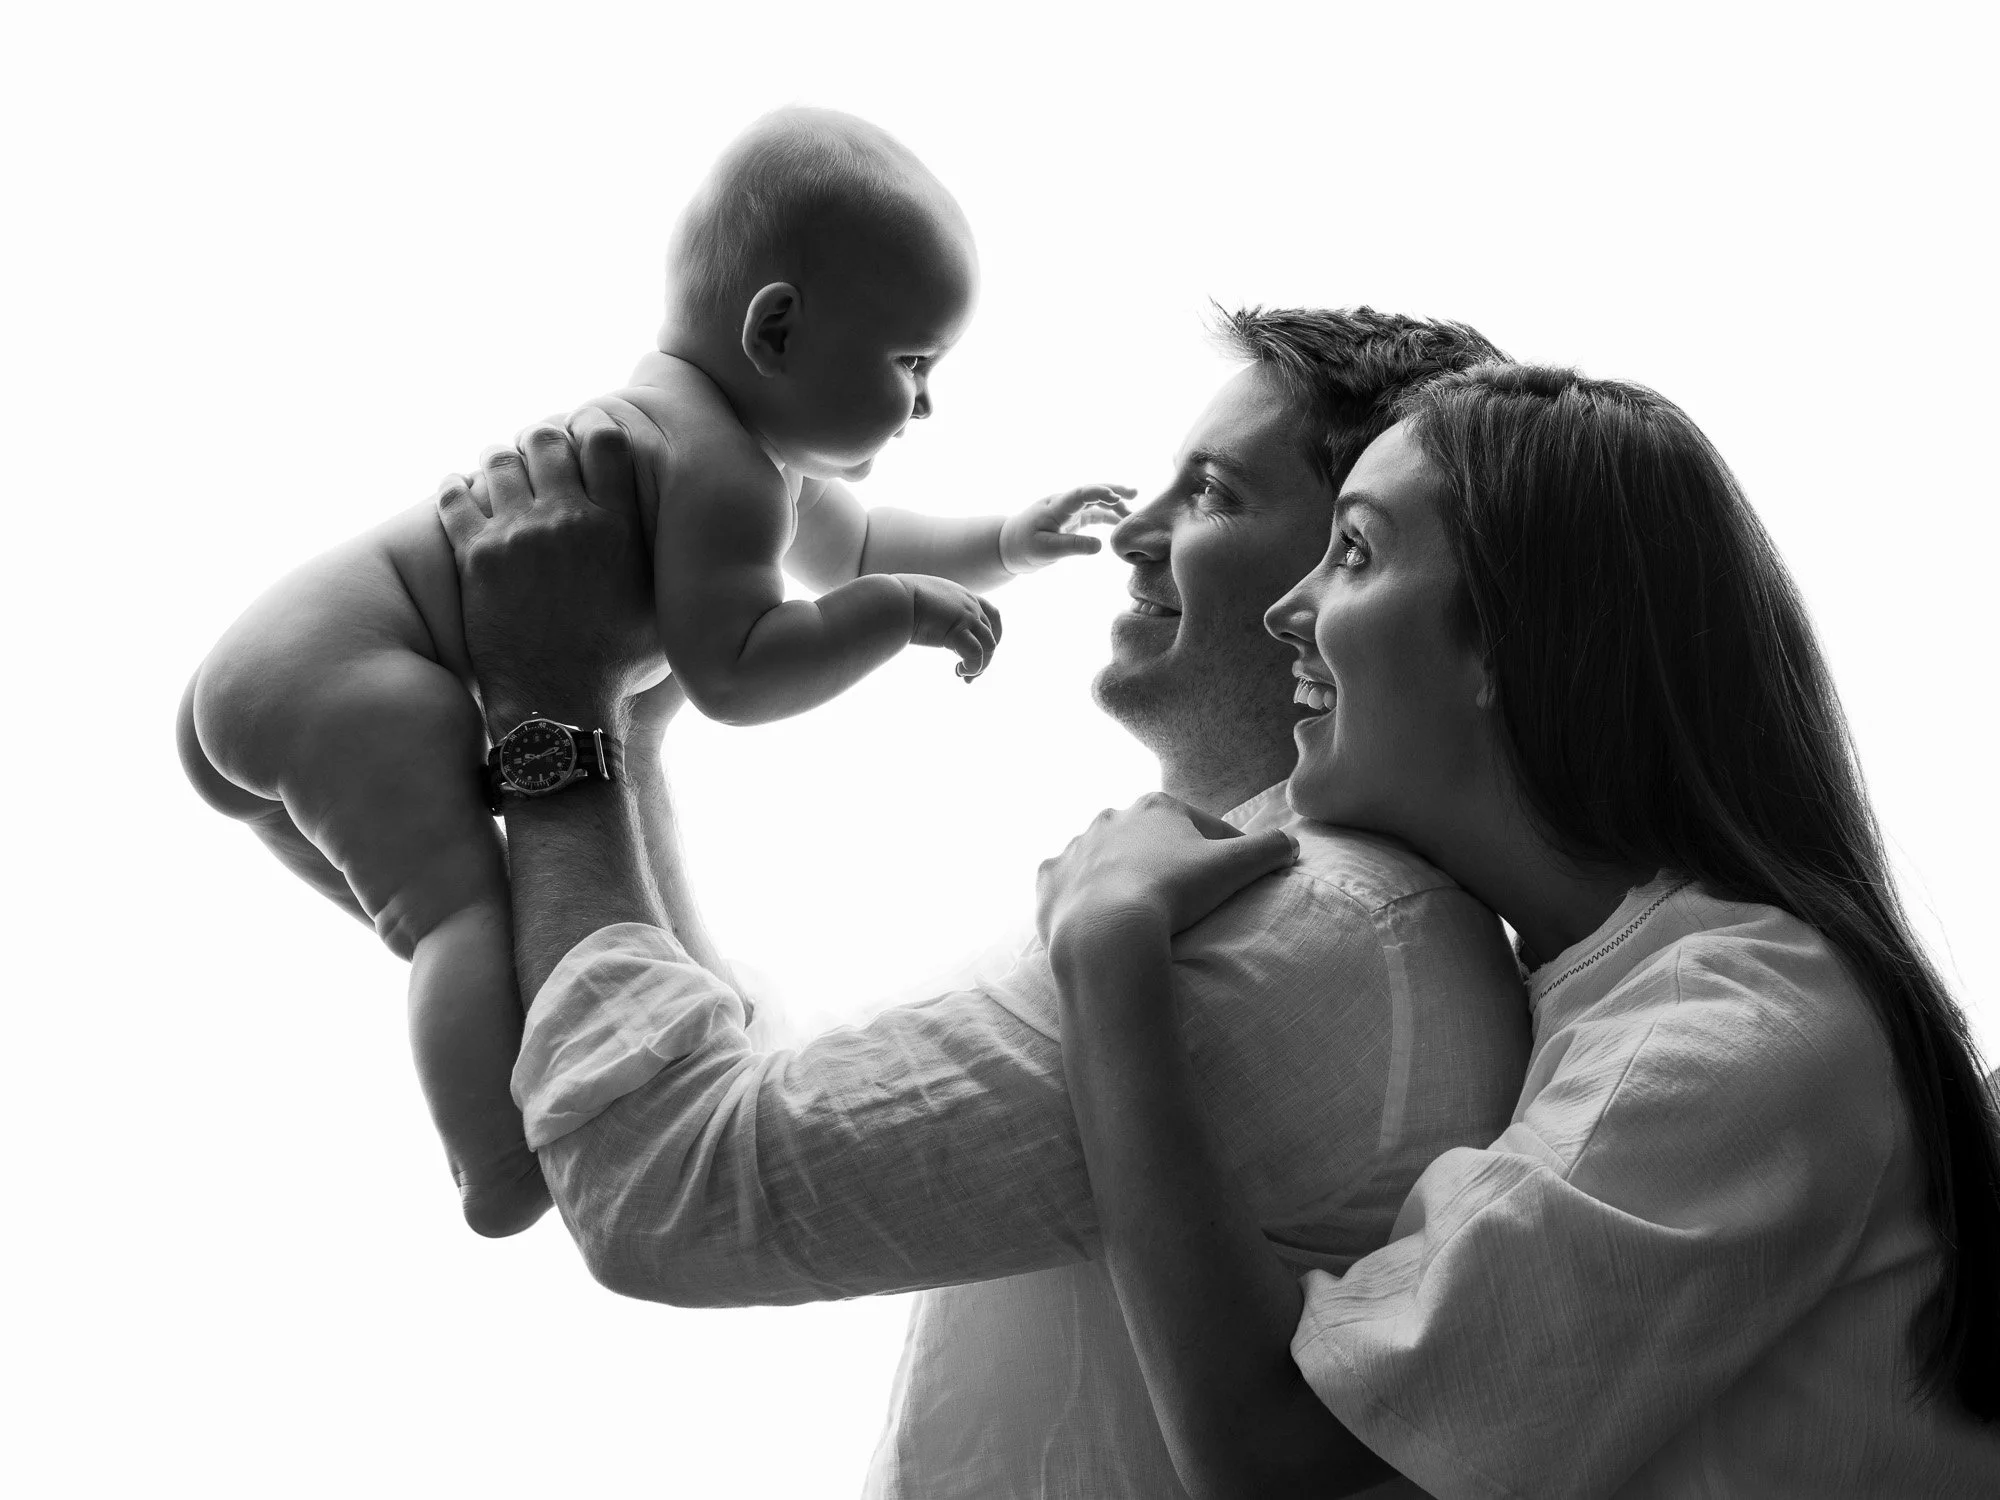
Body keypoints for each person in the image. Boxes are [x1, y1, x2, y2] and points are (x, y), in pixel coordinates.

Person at [436, 308, 1525, 1497]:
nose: (1135, 535)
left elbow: (665, 1188)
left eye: (1210, 495)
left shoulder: (1292, 932)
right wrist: (633, 722)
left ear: (1357, 565)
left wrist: (547, 704)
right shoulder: (1216, 893)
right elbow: (744, 1091)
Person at [1032, 363, 2000, 1496]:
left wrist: (1104, 956)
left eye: (1352, 549)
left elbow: (1276, 1462)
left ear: (1504, 640)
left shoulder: (1732, 1031)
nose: (1286, 610)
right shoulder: (1601, 994)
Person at [171, 106, 1126, 1237]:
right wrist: (895, 617)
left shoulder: (718, 434)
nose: (926, 404)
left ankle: (516, 1076)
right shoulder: (718, 472)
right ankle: (491, 1164)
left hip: (284, 670)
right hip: (351, 673)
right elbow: (733, 675)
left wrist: (1006, 540)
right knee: (460, 917)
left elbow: (860, 542)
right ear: (775, 331)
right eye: (912, 363)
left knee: (466, 914)